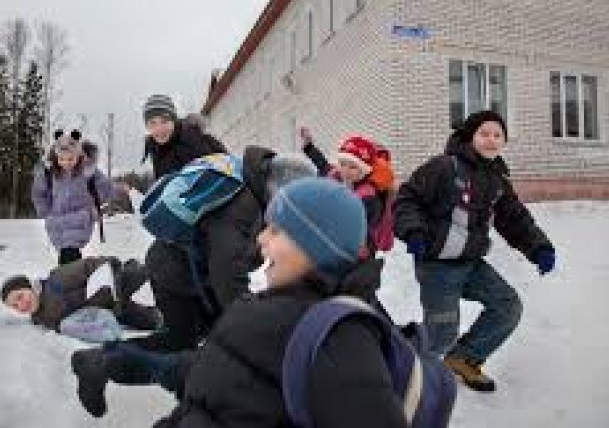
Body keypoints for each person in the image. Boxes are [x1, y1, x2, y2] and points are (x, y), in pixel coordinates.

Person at [74, 178, 409, 427]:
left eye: (276, 231)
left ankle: (107, 361)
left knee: (178, 347)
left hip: (210, 351)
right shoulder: (289, 302)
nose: (262, 238)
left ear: (315, 246)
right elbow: (241, 376)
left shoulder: (339, 338)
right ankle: (108, 361)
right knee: (177, 357)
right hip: (206, 376)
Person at [69, 147, 318, 417]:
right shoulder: (242, 207)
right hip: (175, 273)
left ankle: (103, 362)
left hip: (180, 268)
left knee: (185, 341)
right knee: (194, 344)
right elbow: (229, 270)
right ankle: (109, 366)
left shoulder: (248, 186)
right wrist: (251, 323)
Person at [394, 110, 556, 392]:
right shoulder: (445, 167)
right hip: (437, 265)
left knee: (507, 307)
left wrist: (539, 248)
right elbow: (408, 199)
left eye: (498, 135)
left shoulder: (497, 179)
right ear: (471, 136)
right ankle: (403, 370)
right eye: (485, 134)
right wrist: (414, 232)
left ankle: (464, 358)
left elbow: (514, 218)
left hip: (470, 263)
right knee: (441, 334)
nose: (491, 141)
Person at [299, 127, 395, 291]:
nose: (346, 171)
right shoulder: (343, 179)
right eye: (343, 164)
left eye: (353, 167)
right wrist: (309, 148)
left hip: (359, 258)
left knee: (356, 294)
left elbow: (354, 228)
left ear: (364, 169)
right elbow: (325, 168)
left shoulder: (368, 196)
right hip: (343, 254)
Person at [0, 256, 162, 338]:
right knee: (153, 321)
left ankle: (159, 266)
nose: (21, 305)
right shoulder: (40, 318)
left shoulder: (57, 280)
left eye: (20, 296)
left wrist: (112, 276)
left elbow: (91, 265)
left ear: (30, 287)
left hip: (114, 286)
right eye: (15, 306)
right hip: (112, 312)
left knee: (144, 272)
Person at [31, 129, 121, 265]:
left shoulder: (88, 172)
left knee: (69, 254)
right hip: (57, 222)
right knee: (66, 257)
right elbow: (39, 193)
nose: (66, 163)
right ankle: (75, 280)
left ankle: (72, 280)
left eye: (70, 159)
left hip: (80, 220)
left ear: (78, 156)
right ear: (56, 157)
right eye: (61, 159)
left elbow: (106, 189)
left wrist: (93, 210)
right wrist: (45, 211)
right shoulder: (49, 173)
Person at [141, 94, 227, 182]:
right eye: (152, 123)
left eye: (164, 121)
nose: (159, 129)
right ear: (147, 127)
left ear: (174, 120)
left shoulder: (192, 136)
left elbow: (221, 170)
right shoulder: (154, 149)